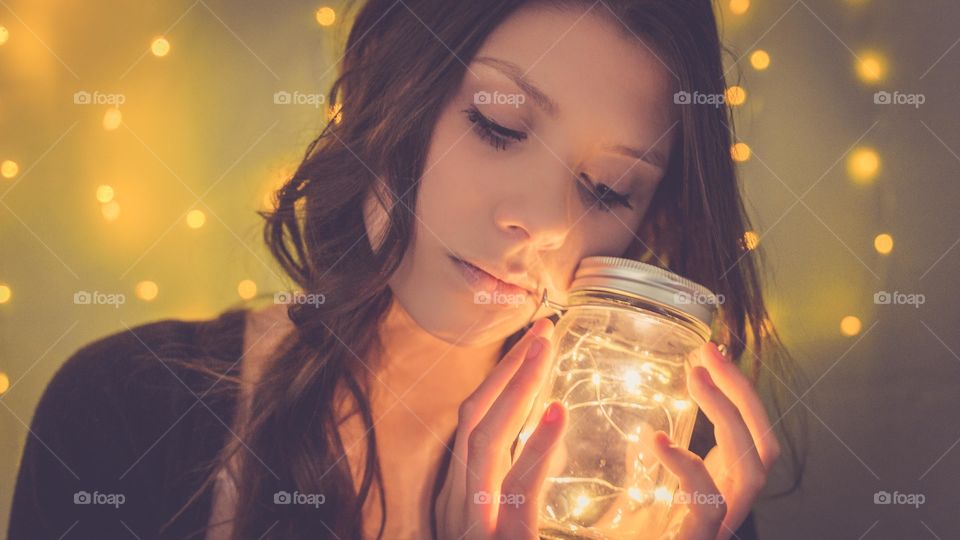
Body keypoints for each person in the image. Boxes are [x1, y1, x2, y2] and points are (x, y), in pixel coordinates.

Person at [9, 1, 803, 538]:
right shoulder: (128, 409)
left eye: (607, 188)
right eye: (498, 125)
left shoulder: (652, 491)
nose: (546, 222)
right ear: (391, 88)